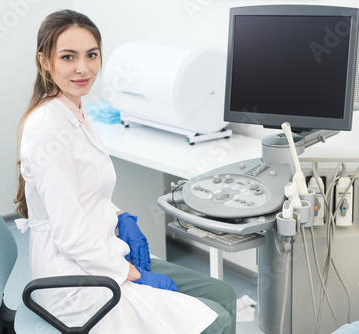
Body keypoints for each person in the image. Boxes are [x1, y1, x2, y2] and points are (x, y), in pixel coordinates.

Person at [14, 9, 236, 334]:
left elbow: (86, 192)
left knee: (224, 295)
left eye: (91, 55)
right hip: (78, 284)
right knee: (218, 322)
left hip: (103, 251)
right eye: (68, 57)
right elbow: (70, 234)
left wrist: (120, 216)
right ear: (44, 61)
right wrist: (133, 274)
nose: (83, 68)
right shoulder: (47, 127)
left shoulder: (73, 108)